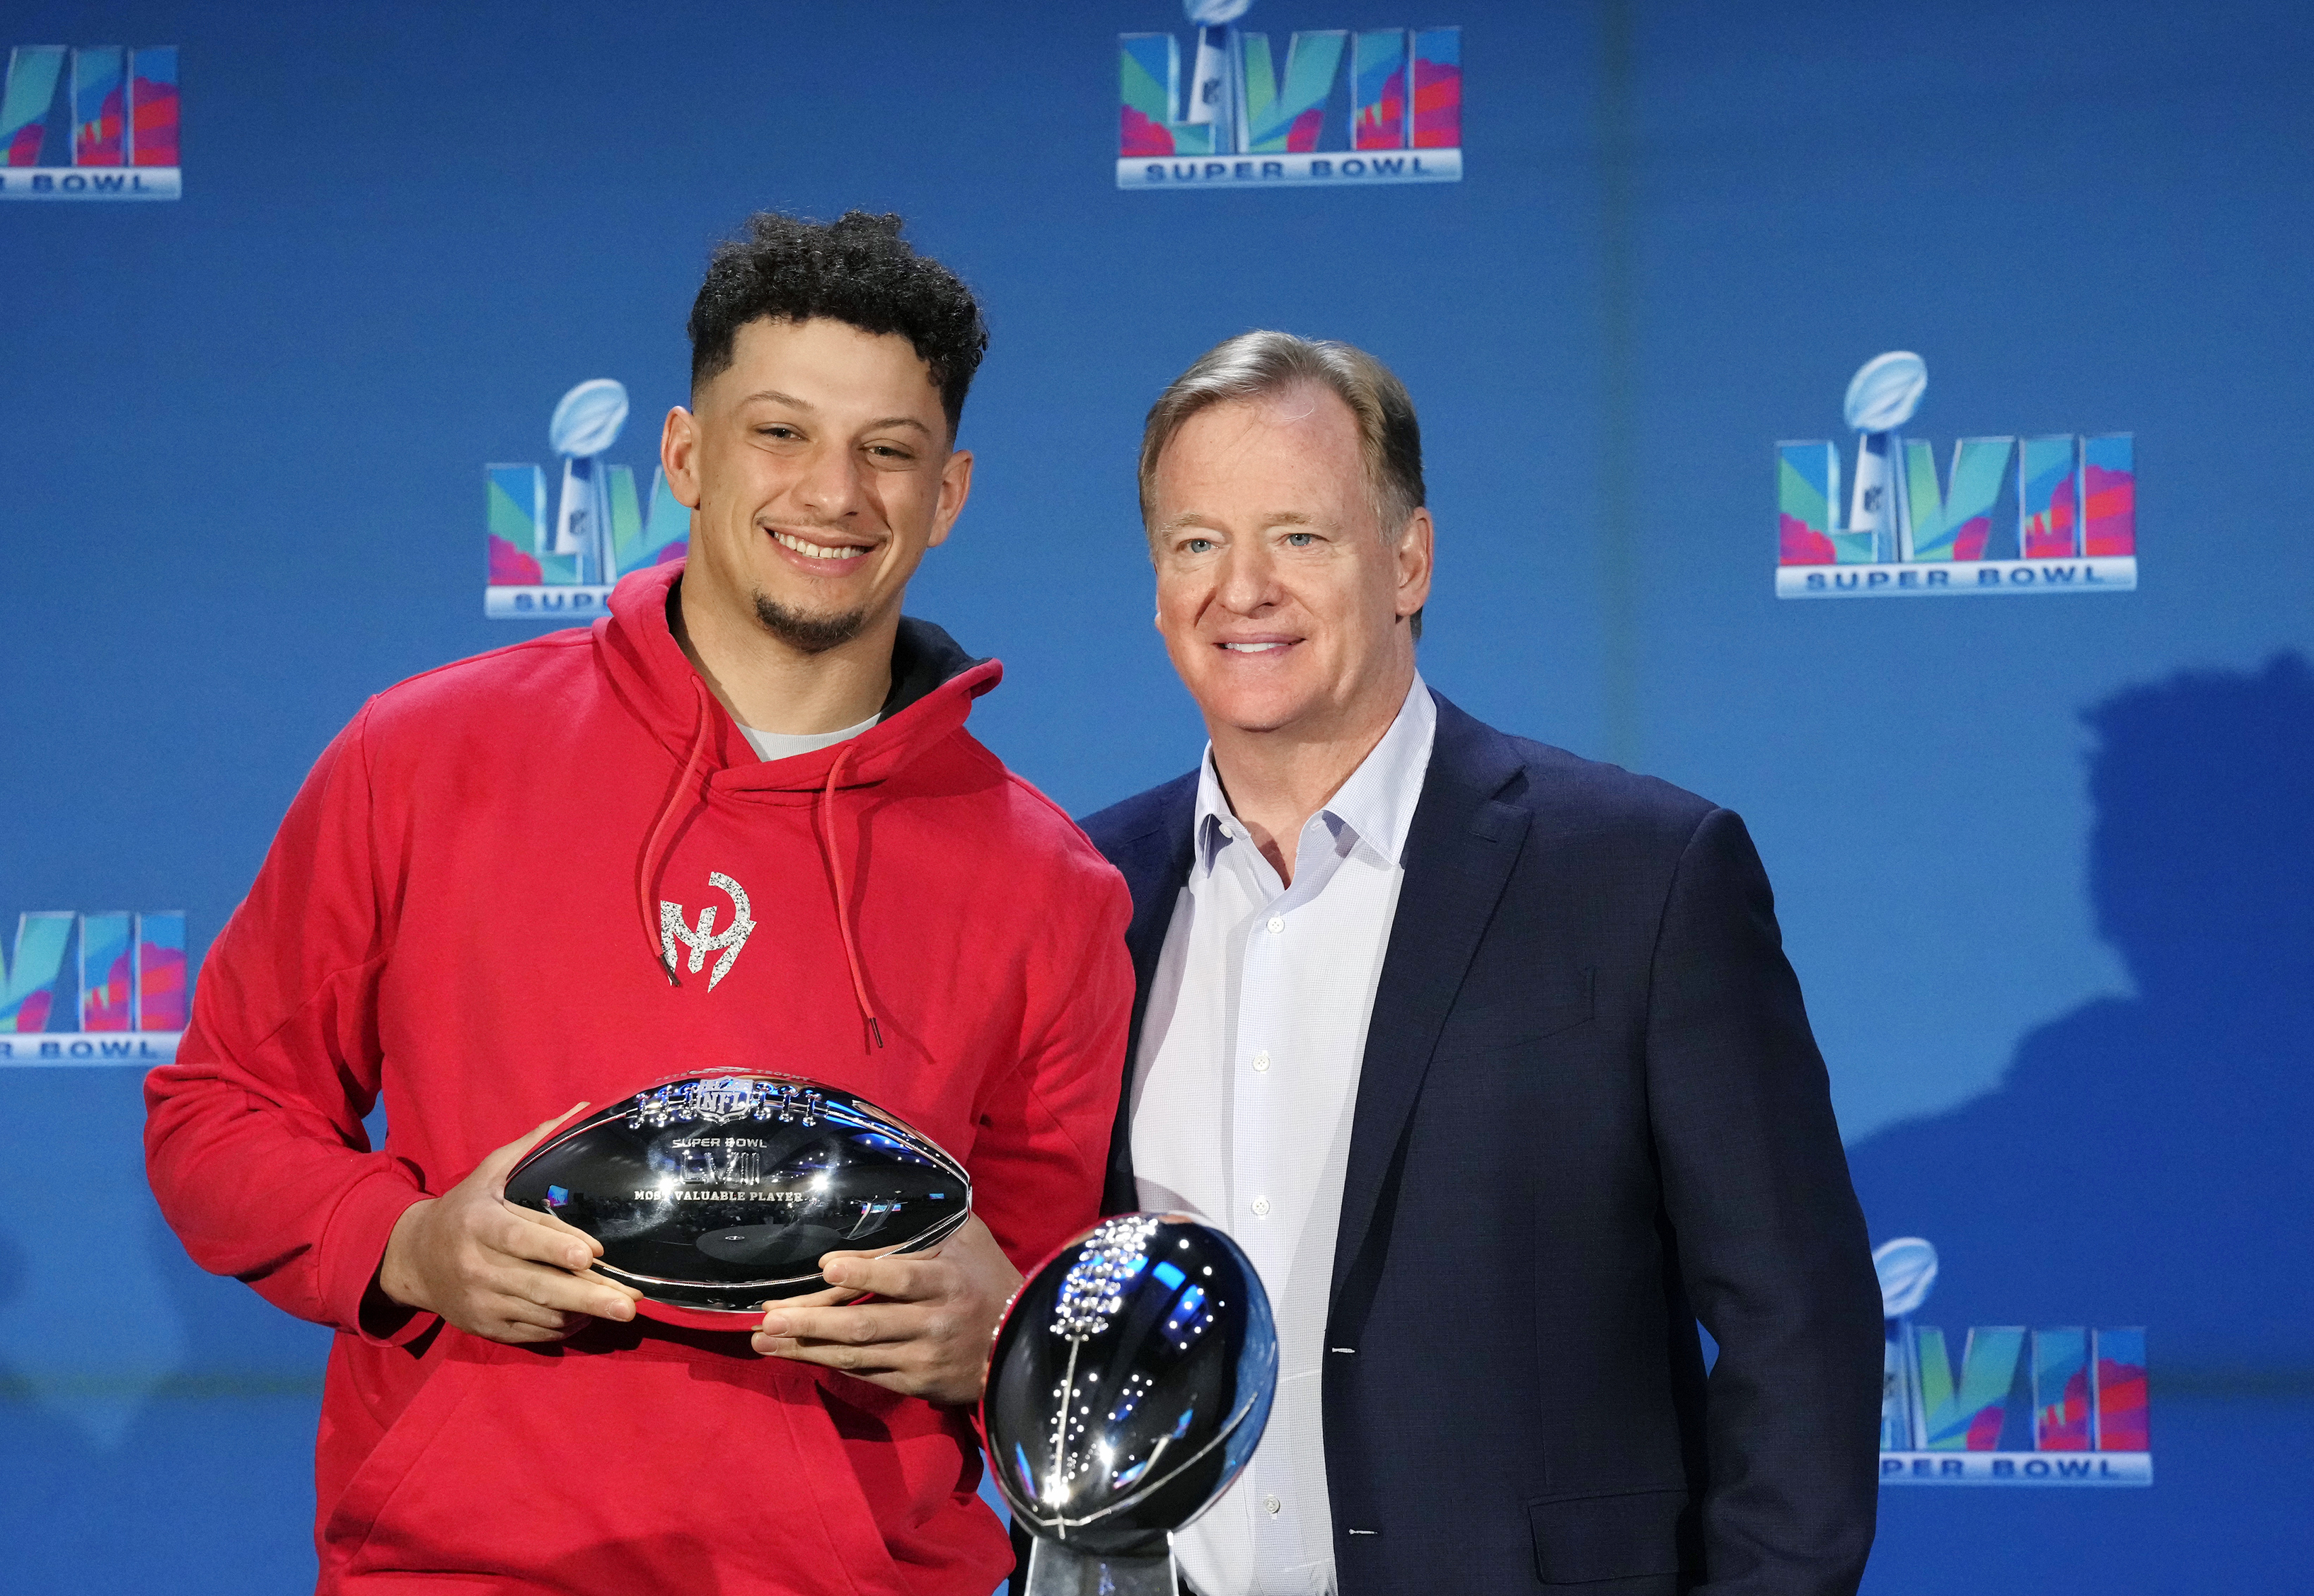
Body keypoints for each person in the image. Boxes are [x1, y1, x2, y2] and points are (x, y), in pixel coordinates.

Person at [146, 212, 1132, 1596]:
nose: (834, 493)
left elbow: (1039, 1289)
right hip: (463, 1570)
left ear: (949, 492)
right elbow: (217, 1112)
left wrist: (1003, 1332)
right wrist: (413, 1246)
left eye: (888, 450)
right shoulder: (424, 759)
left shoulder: (1050, 890)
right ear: (684, 454)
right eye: (780, 433)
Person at [1080, 332, 1880, 1596]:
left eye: (1299, 536)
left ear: (1408, 561)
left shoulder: (1644, 877)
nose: (1242, 590)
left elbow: (1803, 1335)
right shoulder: (1087, 893)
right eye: (1196, 543)